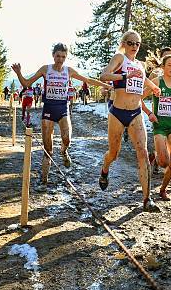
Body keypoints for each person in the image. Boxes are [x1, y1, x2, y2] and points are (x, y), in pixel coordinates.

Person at [12, 43, 111, 184]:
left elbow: (87, 80)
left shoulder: (68, 70)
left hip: (63, 108)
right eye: (58, 56)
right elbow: (27, 83)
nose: (60, 59)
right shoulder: (46, 69)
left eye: (63, 56)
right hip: (49, 109)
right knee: (48, 149)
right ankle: (44, 180)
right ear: (53, 56)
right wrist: (19, 73)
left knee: (67, 138)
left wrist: (106, 85)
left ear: (66, 57)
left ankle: (64, 152)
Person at [98, 30, 162, 212]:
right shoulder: (119, 58)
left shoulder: (139, 64)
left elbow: (142, 79)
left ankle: (147, 199)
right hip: (117, 112)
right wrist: (124, 77)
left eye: (137, 44)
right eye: (131, 43)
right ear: (124, 43)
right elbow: (104, 76)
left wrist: (154, 87)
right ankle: (104, 169)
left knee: (142, 151)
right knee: (114, 153)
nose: (134, 47)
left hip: (136, 113)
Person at [141, 55, 171, 200]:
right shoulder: (156, 82)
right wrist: (149, 113)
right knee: (164, 162)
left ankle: (163, 189)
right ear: (163, 67)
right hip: (159, 125)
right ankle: (156, 157)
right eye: (169, 65)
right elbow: (139, 99)